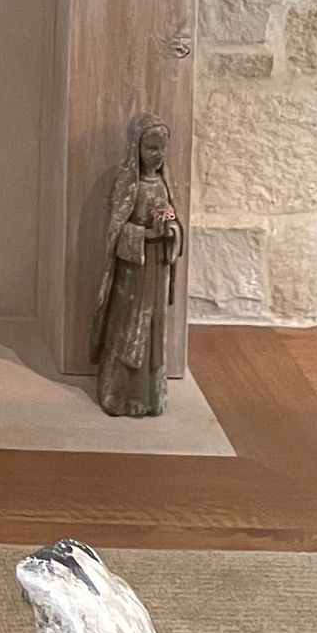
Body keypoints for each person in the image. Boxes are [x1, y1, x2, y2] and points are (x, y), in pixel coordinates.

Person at [90, 116, 184, 418]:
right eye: (151, 148)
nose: (157, 155)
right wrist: (145, 234)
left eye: (162, 149)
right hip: (132, 275)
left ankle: (149, 396)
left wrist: (170, 232)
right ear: (136, 147)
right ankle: (119, 395)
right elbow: (116, 232)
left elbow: (174, 222)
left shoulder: (165, 185)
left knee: (153, 329)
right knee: (129, 328)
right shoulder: (127, 183)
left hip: (157, 269)